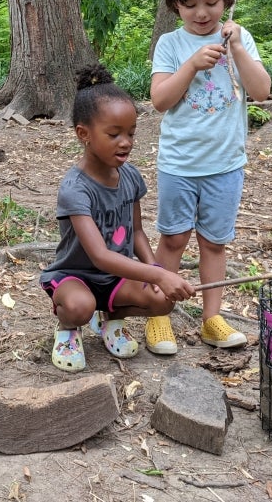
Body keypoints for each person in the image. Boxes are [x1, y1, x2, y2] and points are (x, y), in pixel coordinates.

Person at [146, 0, 272, 356]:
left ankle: (211, 318)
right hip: (179, 164)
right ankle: (158, 313)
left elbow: (262, 91)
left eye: (212, 3)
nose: (202, 13)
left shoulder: (241, 37)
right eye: (191, 4)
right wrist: (191, 65)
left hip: (226, 164)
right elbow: (159, 101)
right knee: (173, 238)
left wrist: (236, 49)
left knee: (214, 243)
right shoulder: (170, 44)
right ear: (175, 4)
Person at [40, 63, 196, 372]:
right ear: (84, 134)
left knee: (163, 301)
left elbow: (136, 231)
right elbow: (98, 256)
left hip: (115, 280)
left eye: (131, 133)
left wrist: (154, 267)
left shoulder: (130, 177)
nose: (125, 142)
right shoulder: (75, 190)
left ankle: (111, 320)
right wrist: (157, 276)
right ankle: (68, 329)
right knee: (79, 306)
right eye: (114, 134)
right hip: (76, 277)